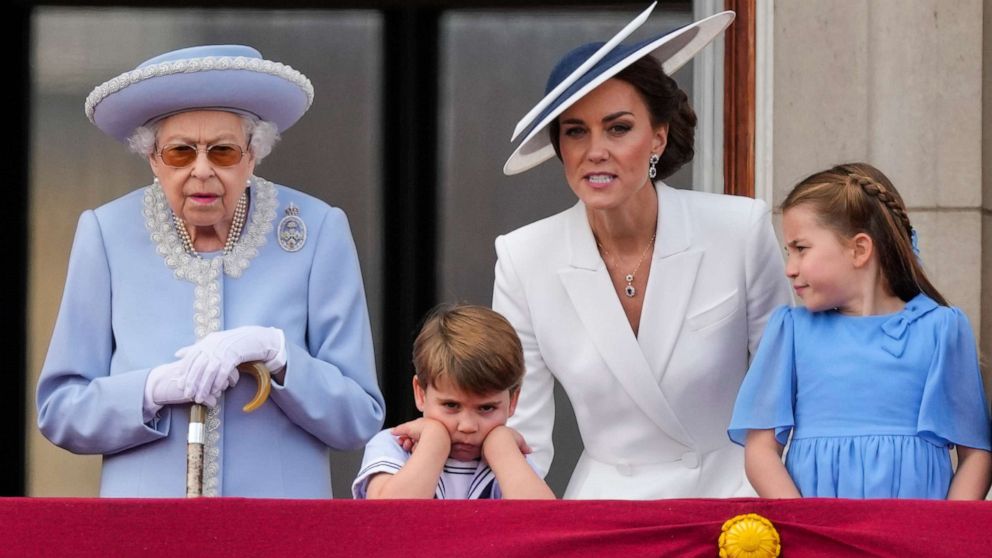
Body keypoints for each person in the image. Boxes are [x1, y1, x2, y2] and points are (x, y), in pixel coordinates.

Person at [36, 45, 385, 498]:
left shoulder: (317, 230)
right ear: (153, 159)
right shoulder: (106, 234)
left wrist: (279, 357)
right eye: (181, 153)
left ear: (253, 156)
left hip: (280, 529)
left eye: (223, 152)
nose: (202, 171)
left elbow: (358, 418)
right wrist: (151, 389)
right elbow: (59, 410)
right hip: (145, 530)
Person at [492, 6, 793, 499]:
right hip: (606, 512)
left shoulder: (739, 228)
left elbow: (785, 397)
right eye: (575, 131)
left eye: (618, 128)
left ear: (658, 136)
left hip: (735, 502)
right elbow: (521, 433)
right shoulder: (523, 257)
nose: (595, 151)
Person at [728, 162, 992, 499]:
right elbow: (761, 451)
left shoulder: (942, 330)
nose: (789, 269)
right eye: (787, 252)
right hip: (820, 538)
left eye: (801, 249)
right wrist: (807, 527)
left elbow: (976, 454)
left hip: (912, 539)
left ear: (859, 249)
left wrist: (943, 535)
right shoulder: (791, 332)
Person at [352, 304, 554, 499]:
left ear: (512, 401)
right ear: (421, 394)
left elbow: (545, 522)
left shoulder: (510, 456)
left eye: (486, 408)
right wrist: (434, 443)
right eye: (451, 405)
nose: (467, 426)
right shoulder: (394, 445)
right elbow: (385, 517)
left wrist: (503, 452)